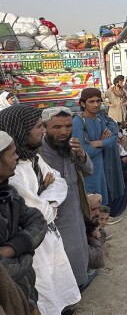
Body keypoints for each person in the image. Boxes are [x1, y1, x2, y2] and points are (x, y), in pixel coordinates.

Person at [0, 105, 81, 314]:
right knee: (41, 294)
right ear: (21, 128)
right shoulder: (13, 173)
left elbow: (59, 182)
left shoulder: (32, 157)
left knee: (56, 287)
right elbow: (38, 213)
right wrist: (46, 195)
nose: (43, 131)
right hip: (33, 246)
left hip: (49, 237)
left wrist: (46, 198)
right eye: (38, 126)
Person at [39, 107, 92, 288]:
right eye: (57, 127)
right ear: (44, 127)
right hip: (55, 219)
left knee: (79, 253)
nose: (64, 132)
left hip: (75, 211)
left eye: (68, 126)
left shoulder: (71, 146)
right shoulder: (38, 154)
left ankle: (80, 284)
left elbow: (89, 170)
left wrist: (81, 154)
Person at [0, 131, 48, 314]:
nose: (18, 156)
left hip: (25, 291)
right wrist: (24, 257)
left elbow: (38, 221)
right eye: (12, 153)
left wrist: (12, 249)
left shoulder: (8, 193)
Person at [72, 88, 127, 219]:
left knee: (103, 197)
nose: (96, 104)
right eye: (91, 101)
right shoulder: (78, 122)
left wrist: (98, 143)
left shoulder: (99, 119)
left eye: (98, 101)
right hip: (89, 170)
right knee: (92, 201)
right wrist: (103, 143)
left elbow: (113, 138)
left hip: (102, 166)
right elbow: (84, 152)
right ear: (83, 104)